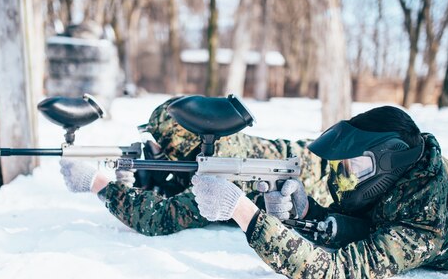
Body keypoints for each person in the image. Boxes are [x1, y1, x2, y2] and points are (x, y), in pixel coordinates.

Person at [190, 106, 448, 279]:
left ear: (387, 160)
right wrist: (307, 211)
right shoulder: (408, 171)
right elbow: (369, 226)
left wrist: (242, 210)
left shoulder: (425, 221)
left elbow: (333, 274)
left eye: (353, 166)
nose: (343, 177)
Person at [59, 96, 331, 235]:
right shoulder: (202, 147)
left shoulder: (221, 161)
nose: (154, 151)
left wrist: (98, 183)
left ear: (180, 143)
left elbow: (160, 218)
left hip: (325, 179)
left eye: (159, 143)